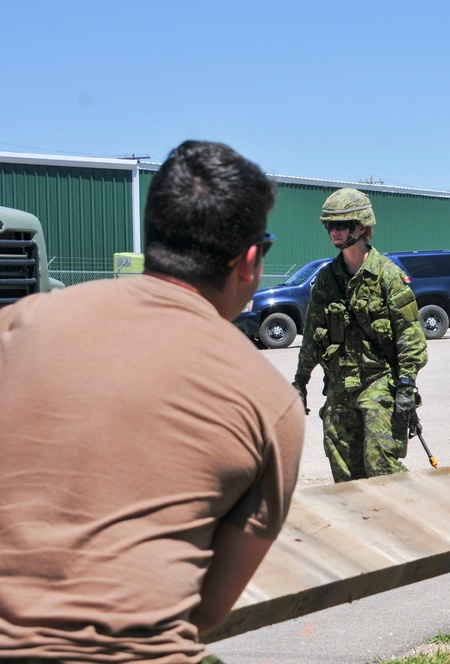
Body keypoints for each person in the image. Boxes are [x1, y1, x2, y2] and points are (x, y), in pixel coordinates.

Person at [0, 140, 305, 663]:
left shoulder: (18, 325)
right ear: (251, 261)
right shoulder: (270, 405)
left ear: (152, 237)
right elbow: (205, 611)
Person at [293, 188, 427, 482]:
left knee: (379, 461)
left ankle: (405, 520)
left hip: (378, 381)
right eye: (330, 225)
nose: (334, 232)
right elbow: (313, 335)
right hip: (341, 383)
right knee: (341, 462)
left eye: (341, 225)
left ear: (362, 227)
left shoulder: (387, 275)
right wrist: (300, 381)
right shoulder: (327, 279)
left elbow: (410, 337)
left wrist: (406, 386)